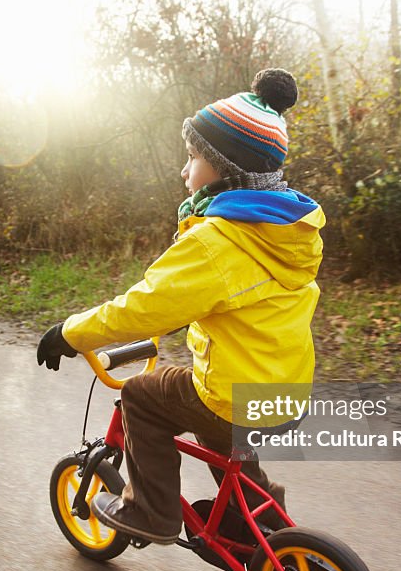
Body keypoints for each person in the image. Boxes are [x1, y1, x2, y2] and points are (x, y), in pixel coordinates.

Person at [36, 69, 325, 545]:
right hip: (286, 391)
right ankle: (257, 516)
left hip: (234, 393)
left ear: (227, 170)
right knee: (221, 425)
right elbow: (231, 303)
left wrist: (71, 333)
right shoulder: (286, 230)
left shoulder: (218, 241)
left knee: (143, 397)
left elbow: (145, 308)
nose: (184, 170)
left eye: (193, 157)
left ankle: (152, 513)